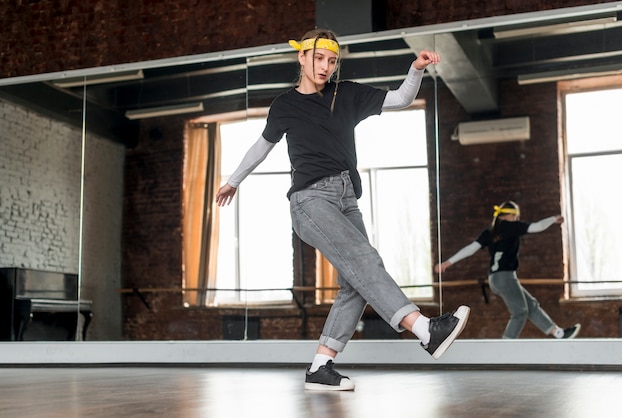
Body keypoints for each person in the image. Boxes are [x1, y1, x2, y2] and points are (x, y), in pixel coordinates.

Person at [215, 28, 470, 391]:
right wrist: (233, 181)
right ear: (301, 58)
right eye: (318, 59)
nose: (325, 67)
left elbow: (398, 99)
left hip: (347, 197)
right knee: (365, 260)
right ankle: (425, 329)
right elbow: (261, 147)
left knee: (355, 283)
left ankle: (321, 366)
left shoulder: (346, 93)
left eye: (332, 61)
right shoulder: (285, 105)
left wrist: (415, 69)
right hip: (310, 200)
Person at [435, 201, 581, 340]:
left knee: (530, 305)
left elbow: (470, 249)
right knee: (520, 312)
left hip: (495, 279)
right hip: (505, 277)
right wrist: (553, 219)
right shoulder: (512, 227)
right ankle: (506, 345)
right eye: (516, 216)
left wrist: (448, 262)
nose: (517, 219)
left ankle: (559, 333)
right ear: (510, 216)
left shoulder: (489, 232)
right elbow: (536, 227)